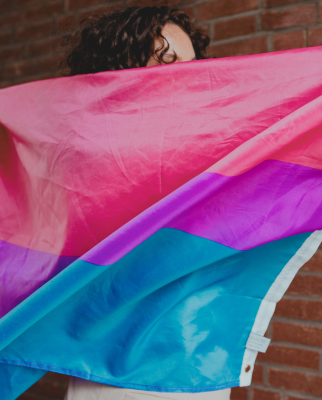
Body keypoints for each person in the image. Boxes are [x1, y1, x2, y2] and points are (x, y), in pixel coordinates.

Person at [61, 5, 231, 400]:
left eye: (190, 67)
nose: (184, 81)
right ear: (116, 73)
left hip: (197, 362)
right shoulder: (89, 158)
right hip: (119, 373)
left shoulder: (206, 147)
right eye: (165, 65)